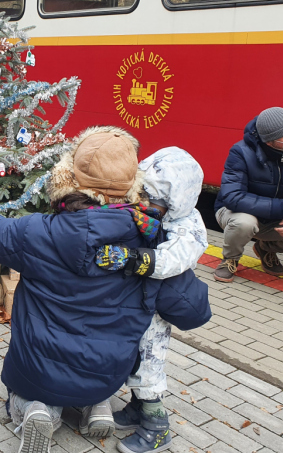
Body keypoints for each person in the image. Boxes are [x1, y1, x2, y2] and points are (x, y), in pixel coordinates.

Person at [0, 126, 211, 453]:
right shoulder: (150, 242)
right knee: (95, 375)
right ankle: (97, 407)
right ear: (133, 184)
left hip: (38, 371)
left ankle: (35, 409)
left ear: (69, 176)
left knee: (29, 389)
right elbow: (192, 308)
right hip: (107, 374)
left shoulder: (38, 232)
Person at [89, 147, 208, 453]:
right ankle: (135, 409)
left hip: (155, 309)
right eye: (142, 195)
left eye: (153, 201)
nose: (144, 204)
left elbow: (172, 260)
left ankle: (157, 428)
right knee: (132, 358)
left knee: (147, 365)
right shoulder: (146, 212)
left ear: (175, 201)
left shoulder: (187, 226)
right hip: (135, 302)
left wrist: (131, 258)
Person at [214, 107, 283, 282]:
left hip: (275, 219)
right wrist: (282, 207)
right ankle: (230, 259)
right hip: (237, 213)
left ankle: (265, 248)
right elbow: (232, 197)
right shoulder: (241, 152)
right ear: (269, 141)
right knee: (244, 223)